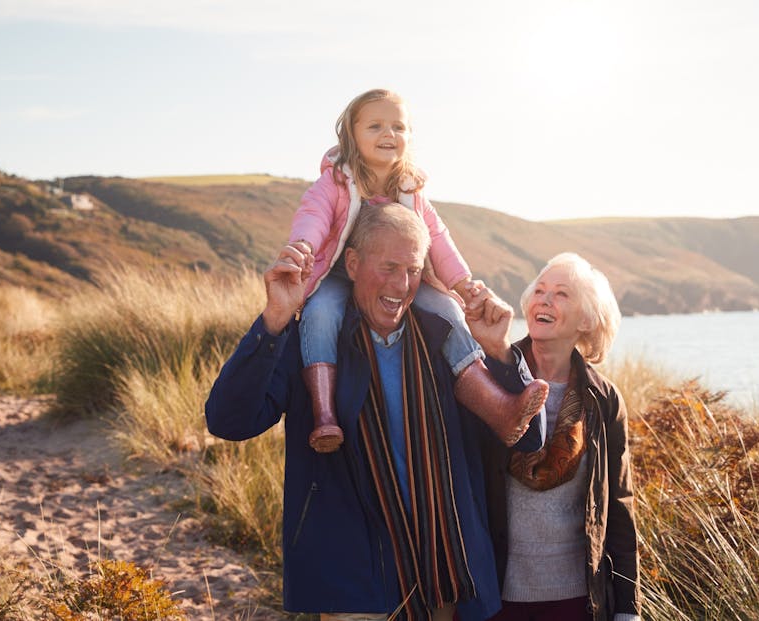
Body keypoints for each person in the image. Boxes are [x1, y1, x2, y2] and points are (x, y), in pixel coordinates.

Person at [205, 205, 545, 620]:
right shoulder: (313, 347)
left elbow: (527, 439)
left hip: (449, 578)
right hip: (355, 582)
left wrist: (500, 352)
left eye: (413, 270)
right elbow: (229, 421)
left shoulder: (448, 342)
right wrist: (275, 318)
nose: (401, 285)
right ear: (352, 263)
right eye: (388, 267)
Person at [287, 87, 546, 453]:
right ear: (351, 133)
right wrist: (303, 247)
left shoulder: (411, 190)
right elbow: (313, 216)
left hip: (402, 276)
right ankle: (325, 414)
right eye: (375, 126)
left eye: (398, 127)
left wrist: (461, 282)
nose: (388, 134)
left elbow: (437, 236)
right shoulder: (337, 181)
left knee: (449, 310)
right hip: (339, 274)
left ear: (409, 137)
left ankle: (499, 408)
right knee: (320, 313)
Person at [473, 252, 641, 621]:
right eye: (540, 291)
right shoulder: (487, 376)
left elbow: (619, 505)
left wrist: (628, 608)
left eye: (562, 294)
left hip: (577, 599)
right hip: (491, 596)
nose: (544, 300)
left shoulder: (604, 400)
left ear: (586, 319)